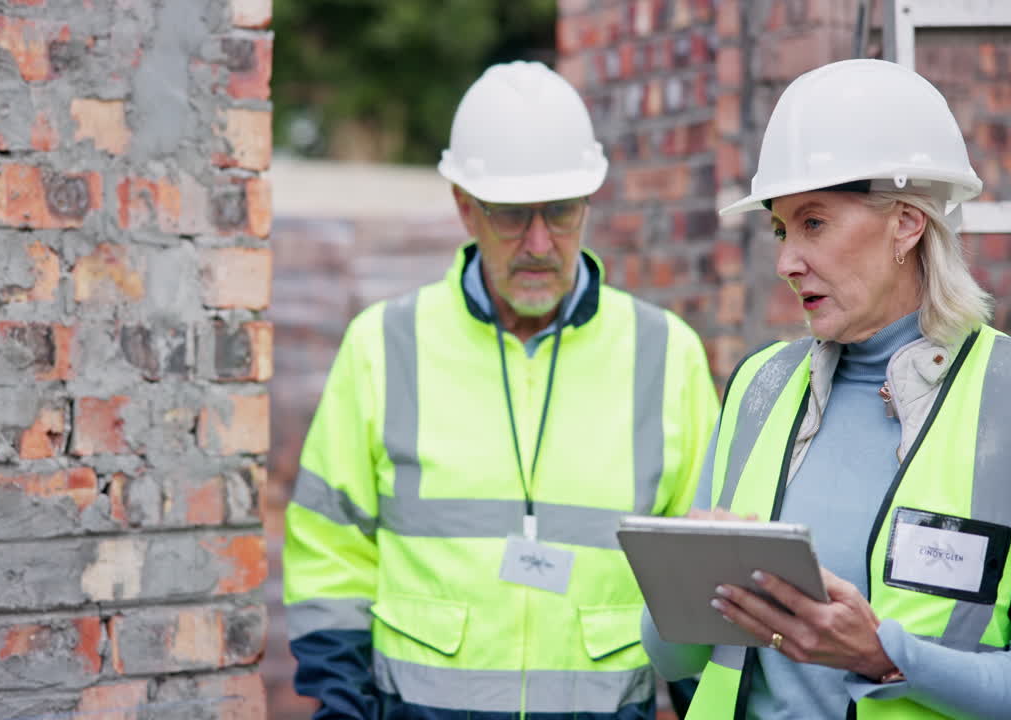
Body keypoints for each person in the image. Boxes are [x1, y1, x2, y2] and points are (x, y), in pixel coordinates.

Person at [640, 58, 1011, 719]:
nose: (786, 261)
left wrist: (883, 656)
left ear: (906, 223)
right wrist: (678, 589)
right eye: (781, 229)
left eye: (814, 223)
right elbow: (676, 661)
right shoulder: (760, 384)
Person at [283, 61, 719, 719]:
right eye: (512, 215)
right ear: (465, 206)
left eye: (562, 212)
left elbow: (699, 580)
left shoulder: (668, 354)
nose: (539, 243)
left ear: (589, 204)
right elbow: (330, 552)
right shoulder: (383, 345)